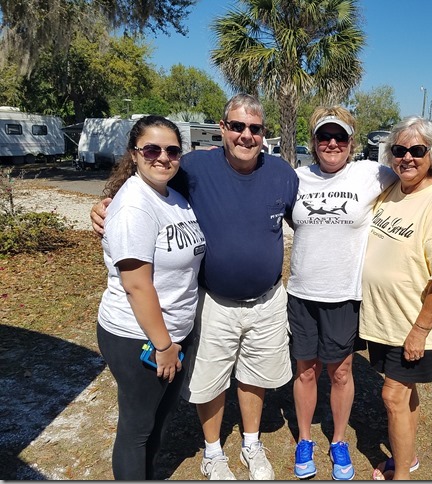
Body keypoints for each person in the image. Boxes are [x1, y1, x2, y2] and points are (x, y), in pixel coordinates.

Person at [91, 94, 299, 480]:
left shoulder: (282, 173)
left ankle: (252, 444)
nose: (246, 135)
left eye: (255, 128)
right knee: (205, 383)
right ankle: (213, 452)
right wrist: (106, 203)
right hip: (207, 304)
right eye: (237, 126)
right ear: (222, 128)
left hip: (266, 300)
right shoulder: (193, 168)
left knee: (253, 376)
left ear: (263, 133)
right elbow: (140, 188)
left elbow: (308, 218)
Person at [287, 106, 432, 480]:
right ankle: (305, 439)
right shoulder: (295, 179)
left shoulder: (372, 174)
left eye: (340, 137)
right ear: (313, 141)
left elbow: (419, 173)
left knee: (342, 373)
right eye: (324, 136)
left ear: (351, 142)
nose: (332, 143)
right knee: (305, 372)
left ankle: (338, 441)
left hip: (345, 296)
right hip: (303, 293)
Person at [96, 115, 206, 480]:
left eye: (172, 151)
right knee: (137, 428)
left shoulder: (173, 197)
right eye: (151, 149)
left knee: (158, 421)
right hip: (139, 336)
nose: (163, 157)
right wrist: (163, 345)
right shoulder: (134, 205)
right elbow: (136, 285)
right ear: (134, 154)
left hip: (173, 333)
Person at [358, 116, 432, 481]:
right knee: (405, 394)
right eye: (399, 150)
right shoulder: (391, 188)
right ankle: (409, 456)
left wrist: (420, 331)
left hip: (412, 324)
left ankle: (402, 474)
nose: (407, 157)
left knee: (392, 397)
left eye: (417, 150)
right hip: (384, 320)